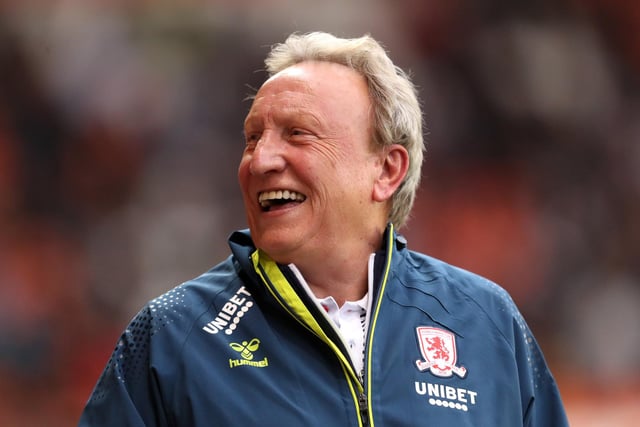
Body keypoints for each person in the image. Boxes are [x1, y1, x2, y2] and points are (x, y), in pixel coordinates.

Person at [78, 31, 569, 426]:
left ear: (386, 171)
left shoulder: (488, 323)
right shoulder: (171, 335)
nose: (261, 160)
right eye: (253, 138)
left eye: (298, 134)